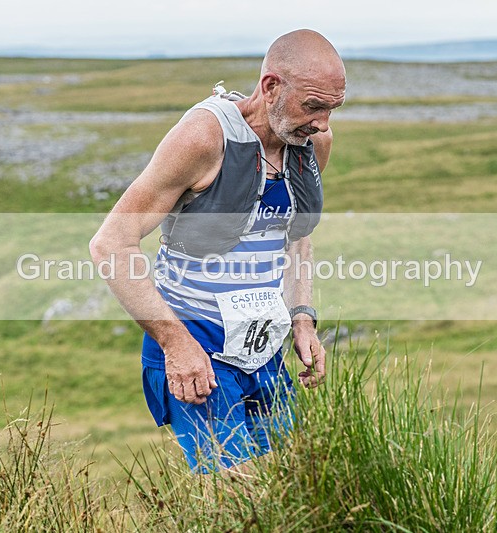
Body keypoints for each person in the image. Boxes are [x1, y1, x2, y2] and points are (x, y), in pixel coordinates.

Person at [90, 29, 345, 472]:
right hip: (197, 345)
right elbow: (110, 243)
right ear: (271, 87)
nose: (323, 123)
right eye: (313, 106)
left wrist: (302, 319)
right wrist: (176, 343)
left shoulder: (311, 144)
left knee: (294, 485)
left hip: (263, 347)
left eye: (332, 108)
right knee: (237, 494)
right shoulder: (203, 139)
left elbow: (295, 237)